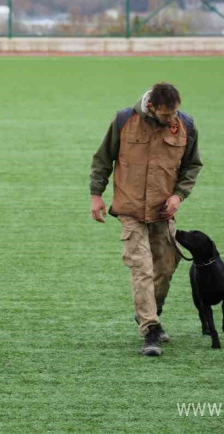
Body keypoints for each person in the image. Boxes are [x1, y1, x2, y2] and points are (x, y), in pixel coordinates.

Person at [89, 83, 203, 357]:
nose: (171, 120)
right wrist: (96, 194)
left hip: (164, 212)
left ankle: (151, 311)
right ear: (151, 107)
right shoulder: (123, 120)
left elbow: (192, 165)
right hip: (130, 209)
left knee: (164, 268)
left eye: (175, 113)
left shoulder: (186, 124)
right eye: (166, 115)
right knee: (141, 268)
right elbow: (103, 159)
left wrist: (178, 196)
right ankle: (150, 329)